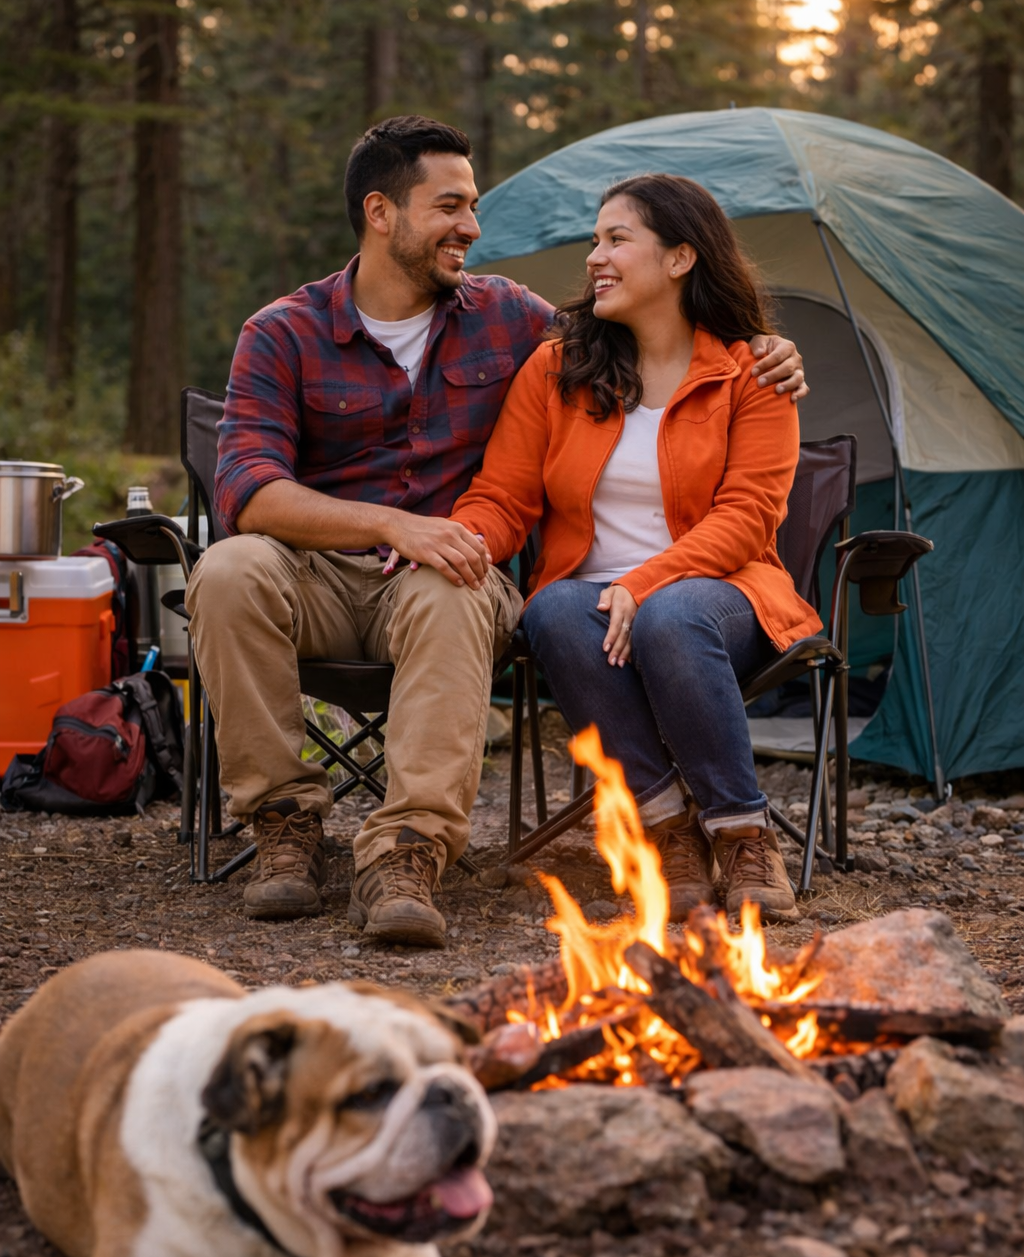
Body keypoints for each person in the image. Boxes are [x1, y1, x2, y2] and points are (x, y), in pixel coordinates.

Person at [185, 120, 809, 943]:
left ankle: (411, 851)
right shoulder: (286, 332)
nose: (473, 228)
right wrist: (416, 529)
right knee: (231, 569)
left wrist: (765, 346)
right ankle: (283, 830)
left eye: (473, 206)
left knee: (481, 586)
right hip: (321, 577)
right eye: (450, 206)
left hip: (544, 585)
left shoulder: (518, 321)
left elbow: (718, 466)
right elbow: (253, 491)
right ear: (381, 212)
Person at [452, 174, 821, 921]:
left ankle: (744, 836)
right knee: (553, 610)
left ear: (681, 258)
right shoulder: (557, 370)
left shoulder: (752, 373)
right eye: (595, 240)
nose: (596, 256)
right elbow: (504, 497)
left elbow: (749, 517)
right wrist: (450, 543)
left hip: (723, 597)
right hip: (589, 613)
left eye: (617, 239)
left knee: (670, 615)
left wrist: (644, 581)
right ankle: (668, 832)